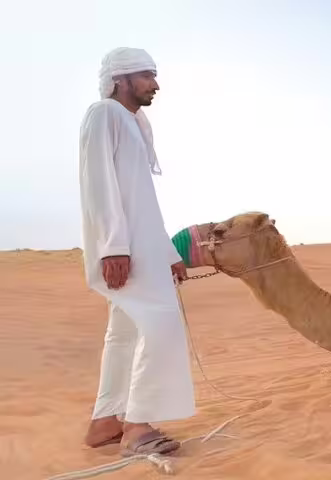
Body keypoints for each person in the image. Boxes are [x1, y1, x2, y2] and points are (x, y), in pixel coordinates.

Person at [78, 47, 194, 456]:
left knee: (125, 333)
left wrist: (166, 252)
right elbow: (98, 184)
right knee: (160, 326)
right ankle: (137, 426)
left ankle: (105, 422)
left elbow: (142, 201)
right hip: (124, 248)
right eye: (147, 75)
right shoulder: (103, 114)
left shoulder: (134, 123)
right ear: (121, 79)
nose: (156, 84)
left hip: (141, 246)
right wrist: (112, 247)